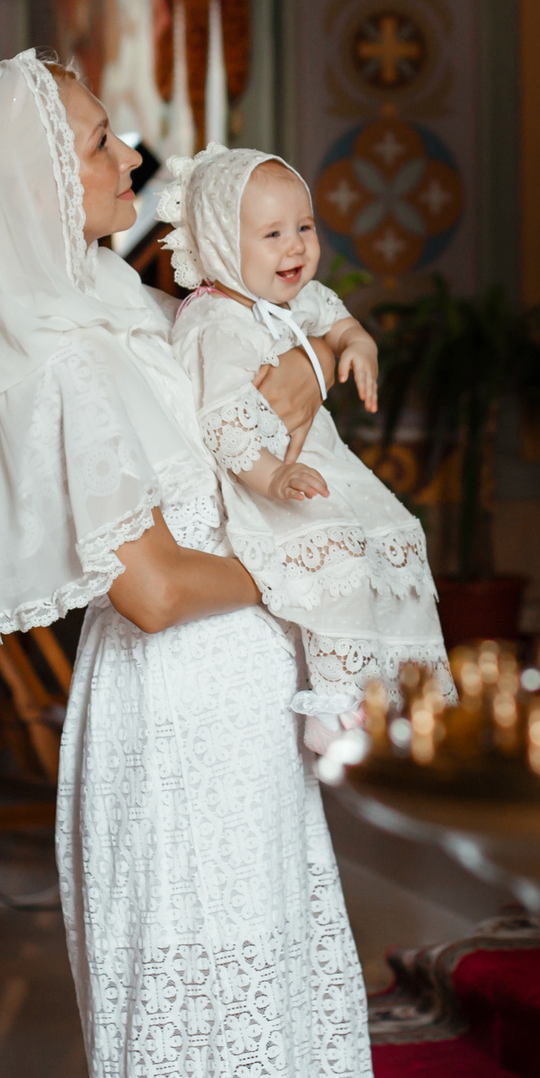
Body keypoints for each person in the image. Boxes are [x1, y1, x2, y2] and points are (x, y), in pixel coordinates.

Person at [0, 51, 393, 1078]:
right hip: (178, 714)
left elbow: (244, 346)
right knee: (209, 1020)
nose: (130, 156)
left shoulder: (113, 299)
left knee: (268, 995)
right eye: (98, 141)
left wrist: (318, 360)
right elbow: (155, 588)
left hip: (234, 699)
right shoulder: (51, 358)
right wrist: (309, 566)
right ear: (33, 182)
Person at [156, 147, 450, 749]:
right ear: (218, 245)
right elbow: (224, 419)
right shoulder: (214, 324)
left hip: (323, 465)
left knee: (397, 537)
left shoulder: (292, 302)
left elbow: (337, 320)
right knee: (334, 549)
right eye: (272, 234)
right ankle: (337, 705)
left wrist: (358, 344)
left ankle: (398, 690)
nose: (296, 246)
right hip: (264, 478)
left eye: (305, 228)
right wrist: (273, 477)